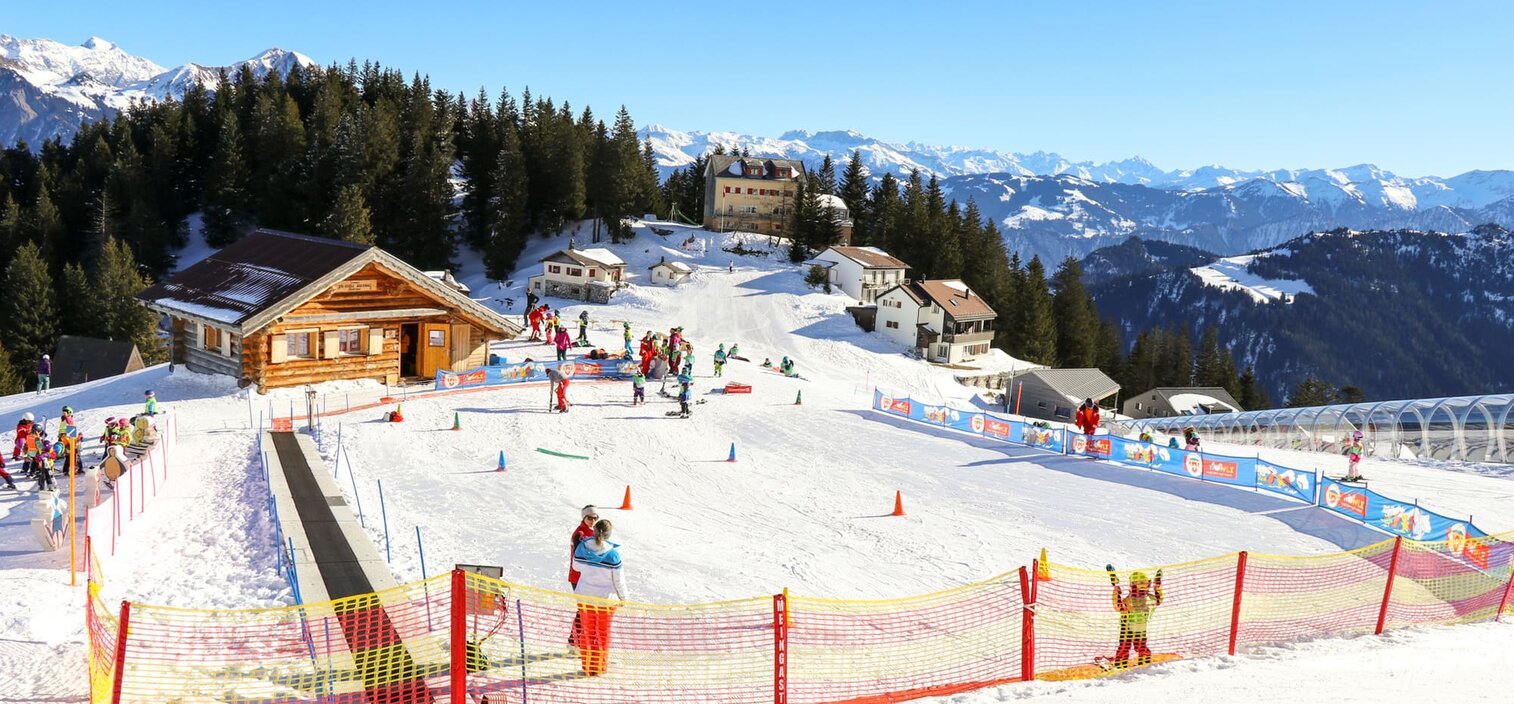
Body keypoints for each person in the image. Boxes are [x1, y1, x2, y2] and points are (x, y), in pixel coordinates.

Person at [572, 518, 628, 676]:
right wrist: (623, 598)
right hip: (606, 600)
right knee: (603, 632)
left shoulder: (583, 548)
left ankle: (588, 666)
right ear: (609, 535)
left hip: (585, 597)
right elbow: (619, 580)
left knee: (587, 631)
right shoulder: (613, 554)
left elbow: (576, 567)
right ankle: (600, 667)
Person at [1105, 567, 1164, 669]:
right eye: (1142, 583)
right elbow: (1118, 606)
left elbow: (1159, 600)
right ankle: (1125, 664)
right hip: (1131, 626)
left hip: (1136, 626)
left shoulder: (1145, 598)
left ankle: (1138, 662)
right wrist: (1116, 589)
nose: (1144, 585)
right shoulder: (1134, 599)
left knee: (1135, 646)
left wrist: (1157, 584)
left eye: (1145, 582)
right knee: (1128, 646)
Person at [566, 505, 599, 650]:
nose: (592, 521)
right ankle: (574, 642)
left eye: (595, 518)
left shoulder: (591, 532)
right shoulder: (580, 534)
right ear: (583, 518)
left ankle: (574, 642)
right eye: (589, 518)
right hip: (578, 577)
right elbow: (580, 557)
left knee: (587, 609)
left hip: (587, 577)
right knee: (584, 610)